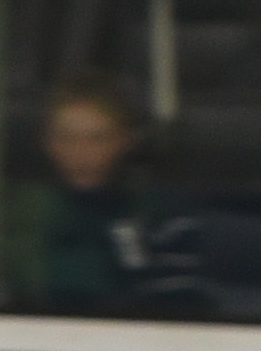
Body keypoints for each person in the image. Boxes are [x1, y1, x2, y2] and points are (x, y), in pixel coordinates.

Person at [31, 78, 214, 313]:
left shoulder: (161, 215)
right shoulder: (17, 212)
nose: (81, 152)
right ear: (47, 143)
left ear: (125, 141)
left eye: (97, 138)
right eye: (67, 138)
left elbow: (177, 308)